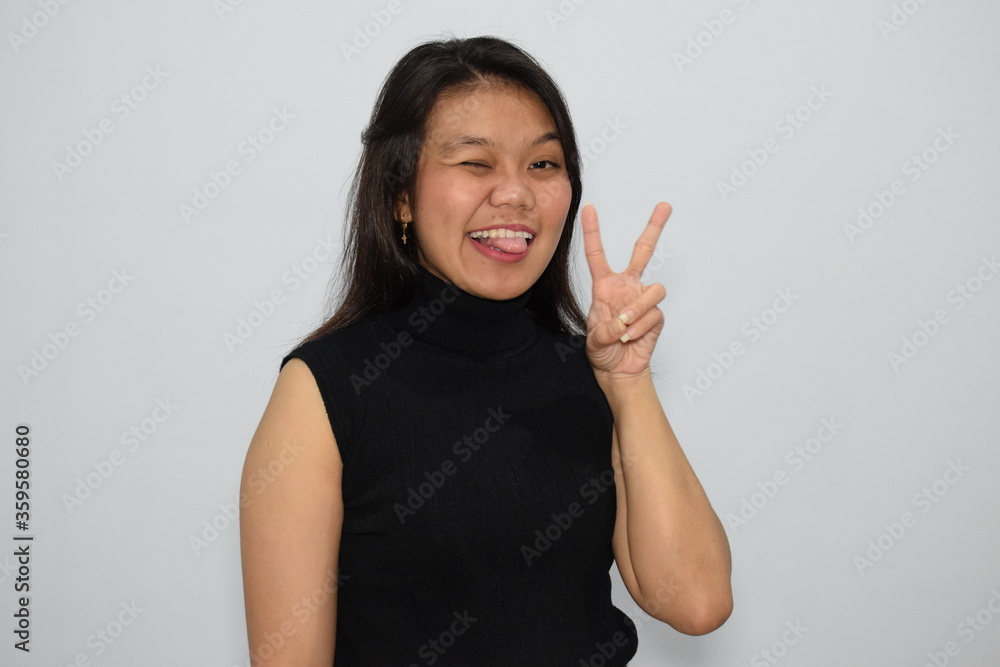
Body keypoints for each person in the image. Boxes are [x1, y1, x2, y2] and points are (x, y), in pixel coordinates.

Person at [239, 34, 733, 666]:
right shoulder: (327, 389)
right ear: (400, 196)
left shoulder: (594, 376)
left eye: (543, 164)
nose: (515, 193)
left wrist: (628, 384)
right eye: (476, 163)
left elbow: (698, 603)